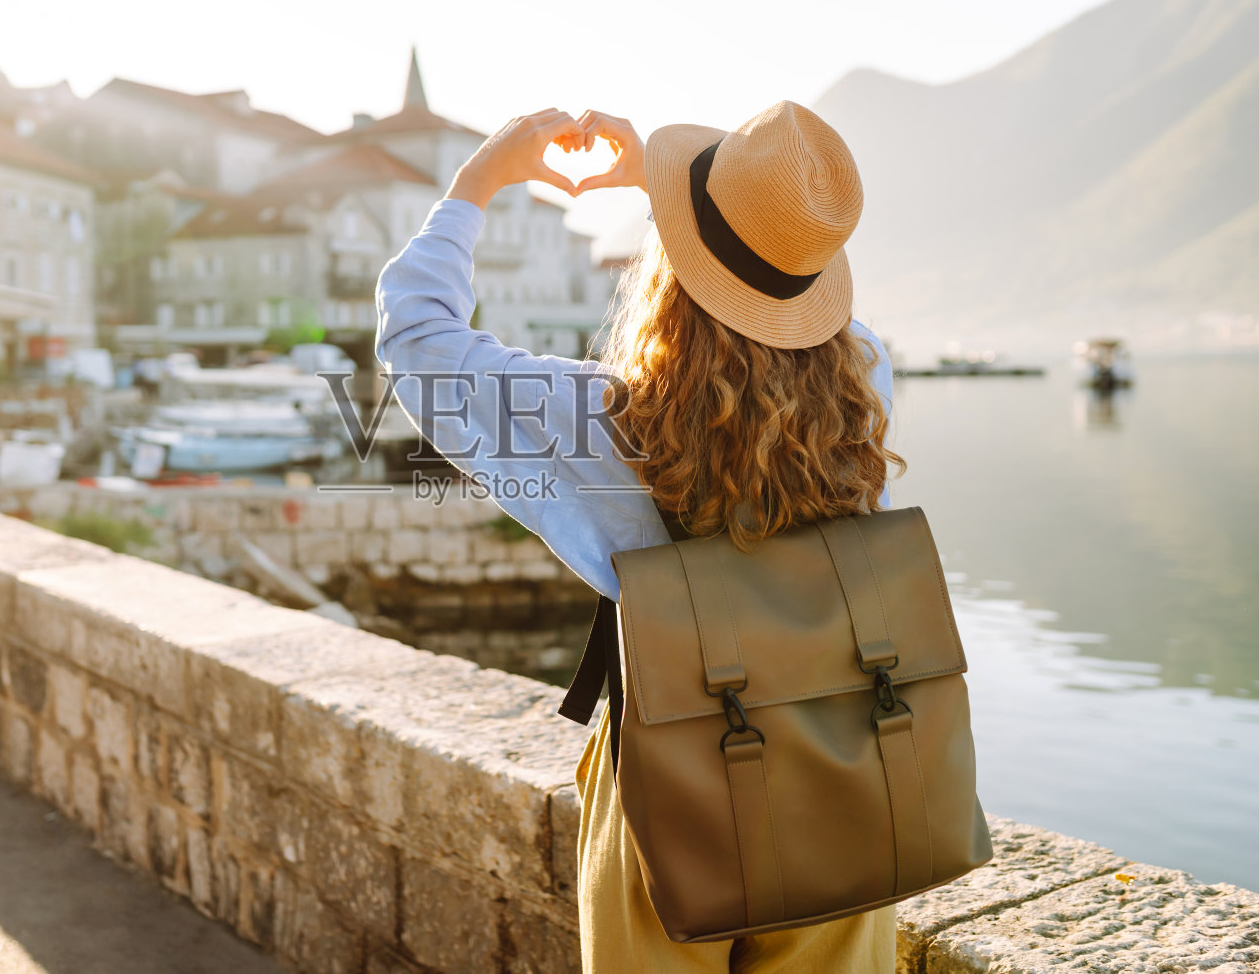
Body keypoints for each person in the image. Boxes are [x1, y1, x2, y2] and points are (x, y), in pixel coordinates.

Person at [375, 102, 901, 971]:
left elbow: (419, 343)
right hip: (846, 763)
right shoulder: (863, 385)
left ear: (668, 268)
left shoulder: (597, 423)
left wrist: (480, 182)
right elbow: (806, 311)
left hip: (675, 771)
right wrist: (693, 210)